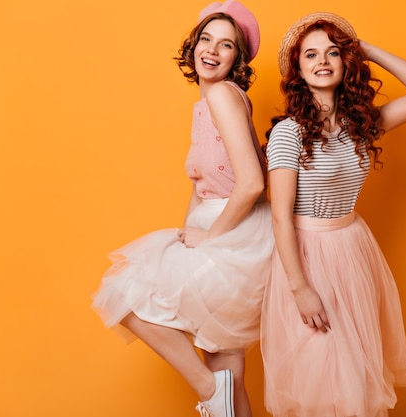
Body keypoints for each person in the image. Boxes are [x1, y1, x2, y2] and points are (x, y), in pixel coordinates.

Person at [91, 2, 272, 416]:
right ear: (192, 45)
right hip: (227, 226)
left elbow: (252, 184)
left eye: (226, 45)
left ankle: (210, 389)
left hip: (235, 231)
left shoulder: (224, 96)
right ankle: (219, 392)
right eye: (206, 39)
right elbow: (202, 184)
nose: (212, 50)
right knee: (229, 368)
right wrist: (189, 230)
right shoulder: (209, 102)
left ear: (236, 59)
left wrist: (210, 237)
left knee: (124, 292)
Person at [260, 12, 406, 417]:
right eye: (310, 54)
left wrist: (367, 50)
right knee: (323, 377)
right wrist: (300, 289)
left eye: (332, 52)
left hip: (353, 250)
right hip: (307, 258)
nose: (322, 60)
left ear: (346, 62)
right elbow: (279, 218)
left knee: (354, 379)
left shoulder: (360, 125)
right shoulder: (289, 133)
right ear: (299, 70)